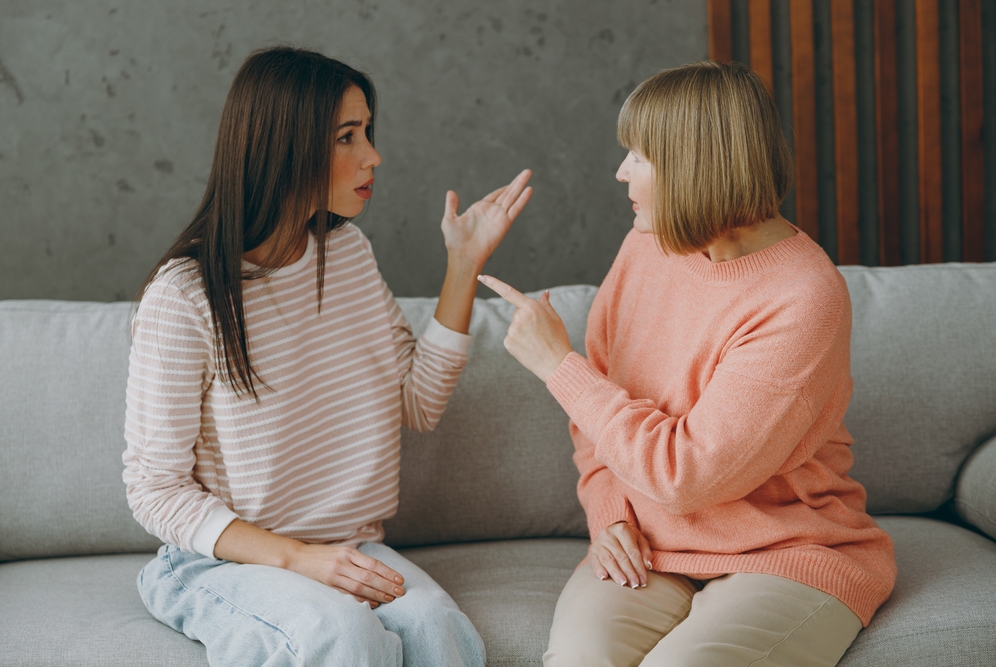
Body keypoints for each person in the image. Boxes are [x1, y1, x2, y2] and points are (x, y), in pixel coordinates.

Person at [122, 46, 532, 667]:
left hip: (348, 546)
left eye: (367, 131)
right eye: (347, 137)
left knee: (437, 630)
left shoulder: (347, 255)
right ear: (283, 146)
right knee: (339, 633)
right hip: (218, 562)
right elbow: (155, 489)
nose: (373, 155)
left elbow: (417, 402)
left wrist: (463, 265)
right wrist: (299, 558)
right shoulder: (186, 295)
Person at [478, 61, 897, 667]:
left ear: (695, 165)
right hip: (648, 544)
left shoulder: (803, 298)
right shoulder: (648, 245)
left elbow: (687, 475)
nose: (620, 172)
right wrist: (609, 513)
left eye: (639, 157)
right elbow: (598, 411)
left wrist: (556, 366)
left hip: (787, 552)